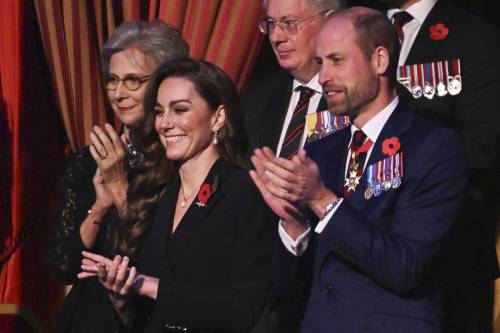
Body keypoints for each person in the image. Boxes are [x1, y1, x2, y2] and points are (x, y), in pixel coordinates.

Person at [250, 7, 468, 332]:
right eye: (321, 63)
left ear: (380, 60)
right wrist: (293, 226)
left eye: (337, 61)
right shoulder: (321, 151)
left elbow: (406, 268)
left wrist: (322, 200)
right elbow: (289, 289)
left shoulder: (433, 146)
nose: (324, 77)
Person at [78, 59, 276, 332]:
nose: (165, 123)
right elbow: (138, 318)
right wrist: (121, 295)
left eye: (180, 109)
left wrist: (148, 285)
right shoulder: (154, 192)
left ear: (218, 117)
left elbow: (246, 309)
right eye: (159, 112)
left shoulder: (245, 191)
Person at [46, 20, 189, 332]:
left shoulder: (180, 163)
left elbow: (163, 266)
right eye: (112, 80)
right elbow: (62, 266)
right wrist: (100, 206)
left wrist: (121, 189)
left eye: (134, 81)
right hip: (84, 320)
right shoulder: (88, 161)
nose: (119, 93)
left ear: (165, 83)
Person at [377, 0, 500, 331]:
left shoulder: (473, 35)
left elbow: (486, 142)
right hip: (366, 247)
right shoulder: (361, 27)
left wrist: (403, 175)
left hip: (444, 250)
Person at [241, 0, 346, 155]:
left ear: (329, 22)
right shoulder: (257, 97)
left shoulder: (358, 96)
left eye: (289, 23)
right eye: (270, 23)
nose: (275, 37)